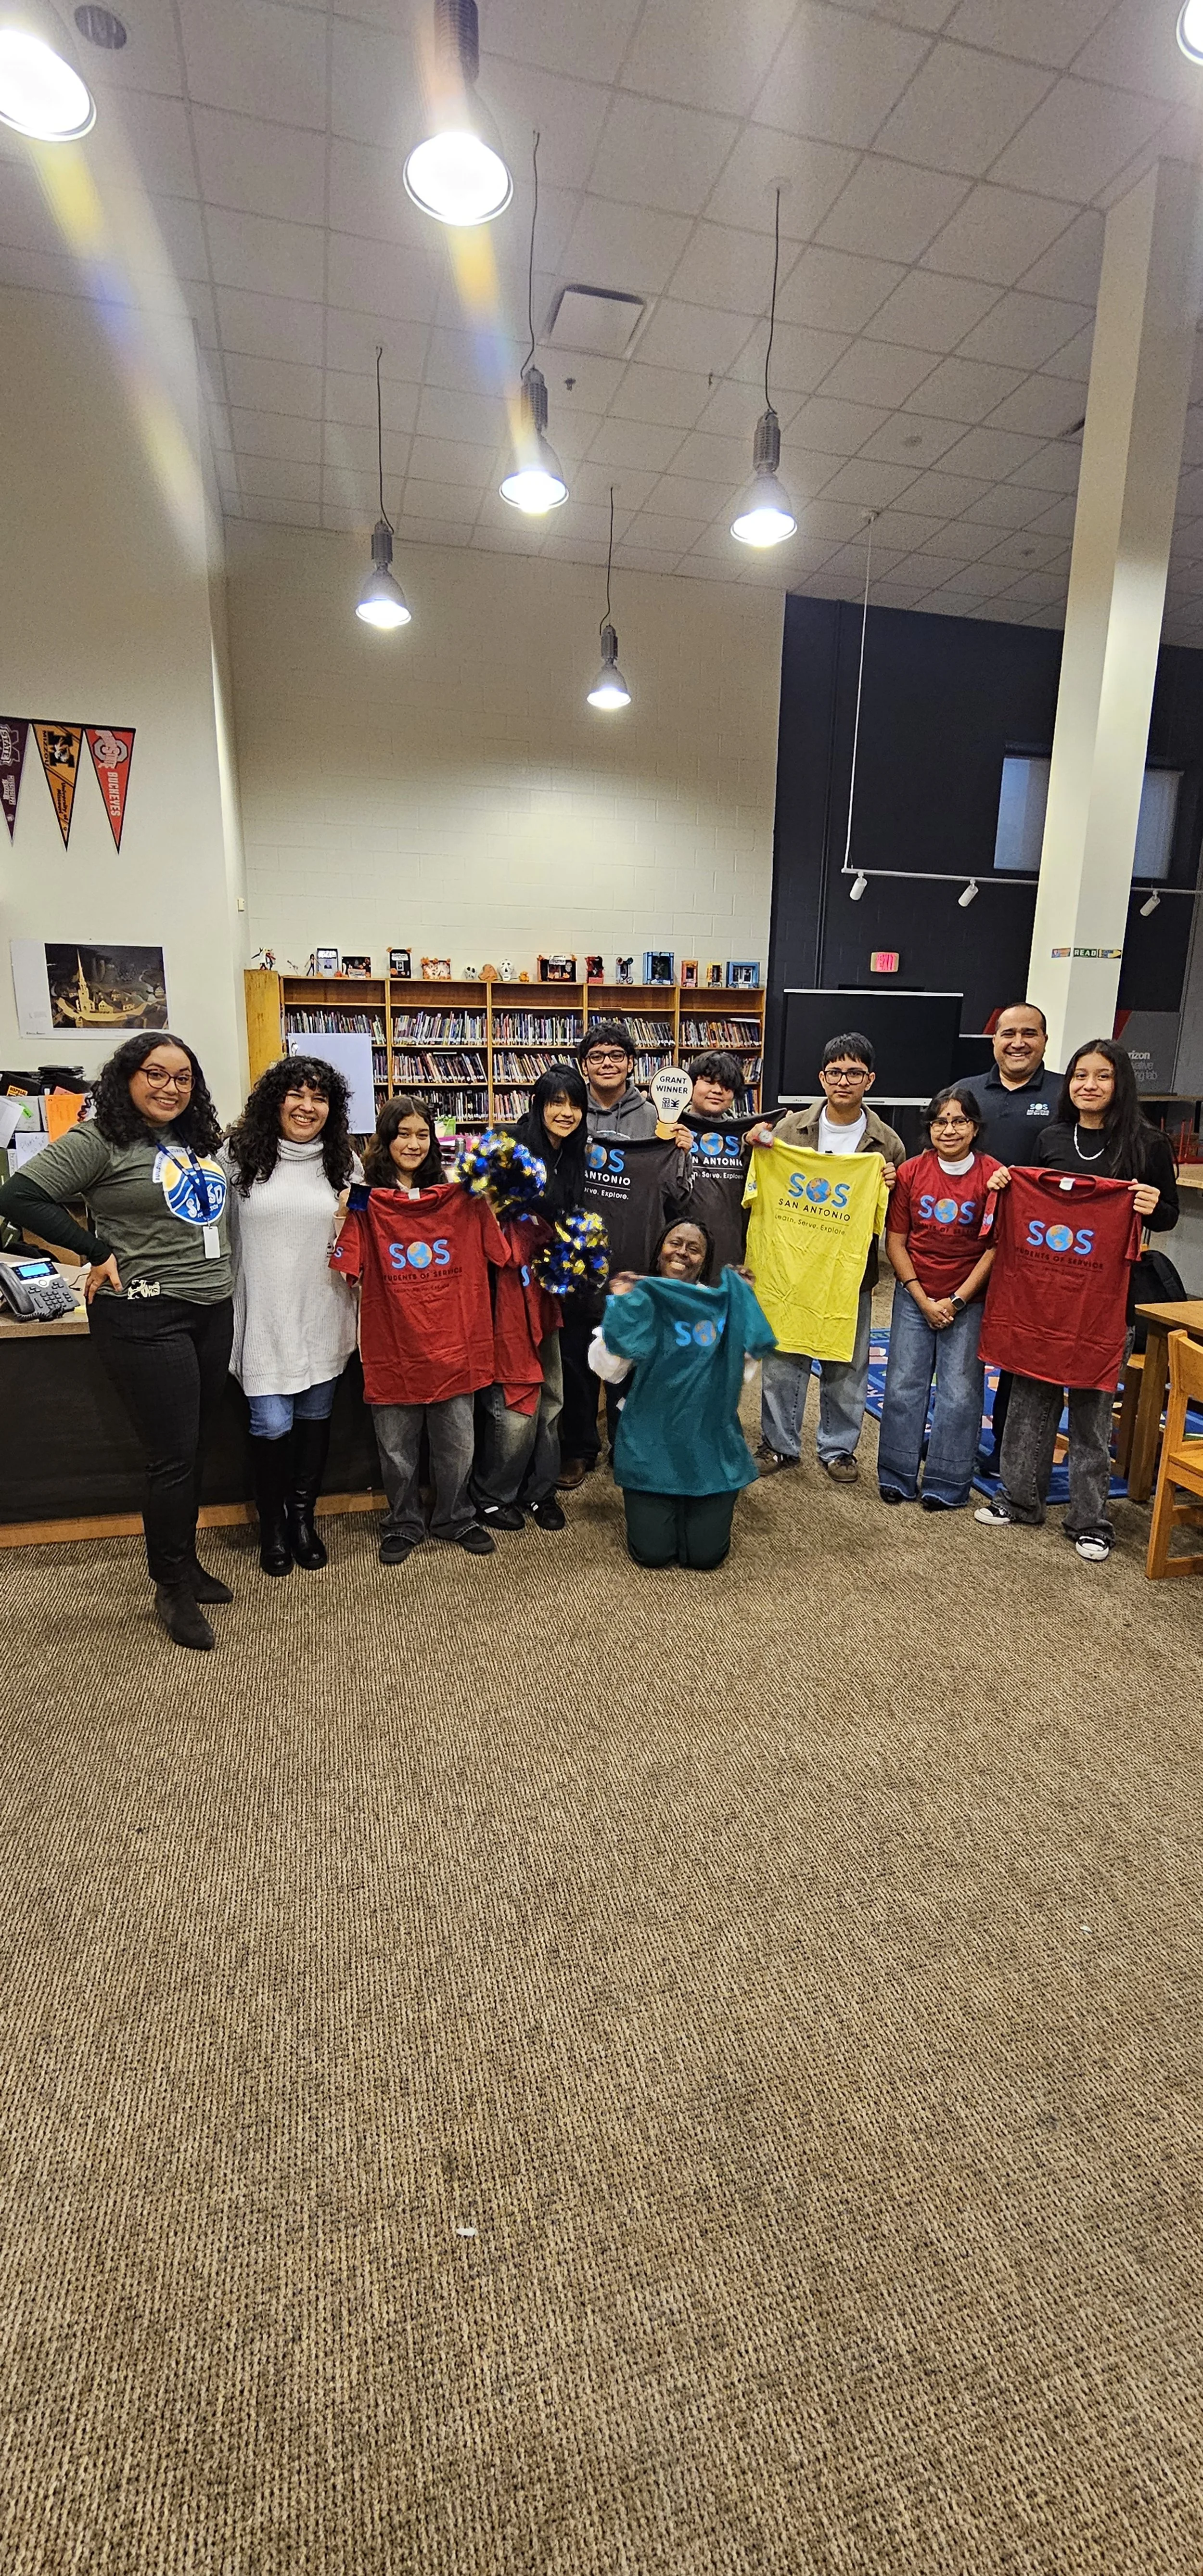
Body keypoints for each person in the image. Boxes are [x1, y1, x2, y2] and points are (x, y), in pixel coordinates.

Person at [0, 1031, 233, 1650]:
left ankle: (186, 1563)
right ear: (128, 1076)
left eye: (183, 1077)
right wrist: (95, 1249)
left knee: (197, 1447)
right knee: (172, 1457)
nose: (170, 1087)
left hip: (211, 1309)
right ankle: (171, 1586)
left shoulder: (196, 1138)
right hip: (145, 1316)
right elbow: (18, 1195)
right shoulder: (99, 1138)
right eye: (156, 1074)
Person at [975, 1038, 1178, 1564]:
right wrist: (1003, 1182)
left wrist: (1152, 1205)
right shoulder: (1051, 1138)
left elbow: (1167, 1216)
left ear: (1120, 1084)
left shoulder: (1147, 1146)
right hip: (1044, 1294)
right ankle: (1019, 1498)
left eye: (1102, 1076)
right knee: (1029, 1399)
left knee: (1091, 1407)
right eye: (1080, 1075)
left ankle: (1090, 1518)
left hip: (1109, 1299)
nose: (1089, 1085)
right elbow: (1024, 1196)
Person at [330, 1094, 506, 1565]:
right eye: (401, 1133)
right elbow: (345, 1268)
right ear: (385, 1141)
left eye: (421, 1134)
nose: (412, 1143)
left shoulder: (460, 1195)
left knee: (457, 1445)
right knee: (396, 1449)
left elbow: (501, 1254)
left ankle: (456, 1517)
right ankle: (403, 1522)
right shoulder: (366, 1200)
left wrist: (485, 1203)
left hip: (454, 1342)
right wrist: (344, 1215)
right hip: (393, 1345)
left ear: (433, 1140)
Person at [223, 1054, 360, 1576]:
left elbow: (359, 1239)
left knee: (313, 1419)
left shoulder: (344, 1161)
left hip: (323, 1310)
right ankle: (272, 1525)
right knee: (270, 1421)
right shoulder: (237, 1158)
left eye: (320, 1098)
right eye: (297, 1095)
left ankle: (304, 1520)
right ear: (274, 1100)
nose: (307, 1107)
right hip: (261, 1313)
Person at [748, 1032, 904, 1483]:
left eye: (854, 1073)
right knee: (783, 1357)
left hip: (849, 1272)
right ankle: (780, 1444)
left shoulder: (885, 1144)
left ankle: (839, 1448)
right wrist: (754, 1142)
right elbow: (759, 1175)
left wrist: (887, 1182)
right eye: (835, 1072)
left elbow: (891, 1215)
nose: (843, 1081)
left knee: (848, 1361)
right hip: (792, 1268)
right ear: (822, 1077)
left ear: (869, 1079)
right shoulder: (790, 1127)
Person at [589, 1218, 775, 1569]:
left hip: (708, 1439)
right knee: (652, 1554)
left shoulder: (718, 1303)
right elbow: (607, 1369)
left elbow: (746, 1364)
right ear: (660, 1249)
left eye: (694, 1248)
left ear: (705, 1261)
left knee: (706, 1556)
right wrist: (625, 1307)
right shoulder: (641, 1297)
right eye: (675, 1243)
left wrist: (744, 1300)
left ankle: (695, 1499)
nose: (682, 1253)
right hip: (651, 1440)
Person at [471, 1064, 584, 1534]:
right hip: (505, 1292)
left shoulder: (574, 1154)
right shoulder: (507, 1145)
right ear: (538, 1104)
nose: (566, 1111)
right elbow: (473, 1203)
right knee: (514, 1399)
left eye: (574, 1103)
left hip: (548, 1292)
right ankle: (494, 1495)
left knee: (552, 1397)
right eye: (555, 1101)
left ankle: (540, 1491)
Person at [877, 1085, 999, 1511]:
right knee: (903, 1385)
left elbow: (994, 1249)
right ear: (929, 1127)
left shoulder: (993, 1175)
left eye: (959, 1121)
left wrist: (958, 1301)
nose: (949, 1129)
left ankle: (947, 1483)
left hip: (969, 1298)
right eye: (940, 1121)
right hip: (915, 1293)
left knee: (961, 1392)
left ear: (974, 1127)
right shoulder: (911, 1172)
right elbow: (896, 1242)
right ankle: (897, 1474)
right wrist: (922, 1297)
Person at [974, 1000, 1062, 1463]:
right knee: (966, 1344)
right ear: (995, 1041)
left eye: (1030, 1033)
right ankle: (957, 1439)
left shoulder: (1067, 1095)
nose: (1018, 1042)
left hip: (1038, 1248)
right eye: (1009, 1034)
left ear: (1045, 1040)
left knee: (1021, 1347)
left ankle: (1010, 1446)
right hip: (970, 1243)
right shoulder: (965, 1094)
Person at [678, 1051, 755, 1274]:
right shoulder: (668, 1127)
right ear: (690, 1085)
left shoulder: (747, 1136)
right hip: (679, 1254)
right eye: (709, 1082)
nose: (717, 1091)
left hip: (730, 1254)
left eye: (727, 1086)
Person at [577, 1021, 658, 1139]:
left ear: (630, 1063)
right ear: (584, 1066)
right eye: (596, 1057)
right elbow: (541, 1157)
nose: (607, 1064)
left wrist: (683, 1152)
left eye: (616, 1056)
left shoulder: (653, 1116)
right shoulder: (571, 1112)